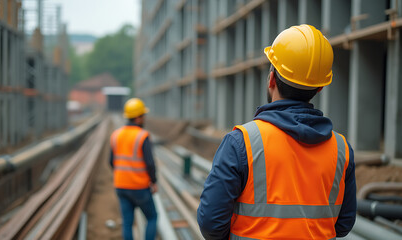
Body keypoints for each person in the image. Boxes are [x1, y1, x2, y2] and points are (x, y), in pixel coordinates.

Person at [197, 24, 356, 239]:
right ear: (319, 87)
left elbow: (211, 224)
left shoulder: (242, 142)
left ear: (272, 79)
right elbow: (343, 224)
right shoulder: (341, 149)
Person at [109, 98, 158, 240]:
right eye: (143, 115)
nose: (144, 118)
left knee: (127, 223)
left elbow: (111, 162)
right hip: (140, 187)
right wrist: (153, 181)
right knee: (152, 218)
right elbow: (150, 163)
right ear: (137, 118)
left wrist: (123, 175)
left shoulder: (115, 135)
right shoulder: (142, 136)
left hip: (121, 186)